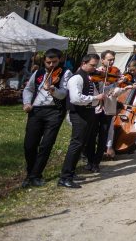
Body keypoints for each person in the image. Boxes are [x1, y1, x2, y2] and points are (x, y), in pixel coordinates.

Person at [22, 49, 70, 187]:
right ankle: (31, 172)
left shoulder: (65, 72)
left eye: (54, 62)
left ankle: (35, 175)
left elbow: (64, 94)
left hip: (55, 111)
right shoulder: (38, 73)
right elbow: (29, 89)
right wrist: (27, 103)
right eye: (48, 62)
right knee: (29, 145)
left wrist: (53, 89)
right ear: (44, 61)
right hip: (36, 110)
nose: (51, 65)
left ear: (60, 60)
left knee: (46, 145)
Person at [58, 54, 103, 188]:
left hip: (88, 113)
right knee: (76, 144)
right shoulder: (77, 78)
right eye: (92, 65)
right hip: (79, 114)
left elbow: (94, 94)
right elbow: (75, 99)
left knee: (81, 144)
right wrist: (94, 98)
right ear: (84, 63)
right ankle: (65, 177)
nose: (94, 68)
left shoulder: (88, 77)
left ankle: (70, 172)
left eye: (95, 65)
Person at [88, 50, 125, 172]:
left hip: (108, 107)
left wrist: (119, 86)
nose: (112, 61)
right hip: (95, 107)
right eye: (109, 59)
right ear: (102, 60)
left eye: (113, 59)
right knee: (92, 134)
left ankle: (96, 162)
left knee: (104, 134)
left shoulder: (115, 72)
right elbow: (93, 87)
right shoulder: (95, 72)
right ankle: (90, 159)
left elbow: (118, 91)